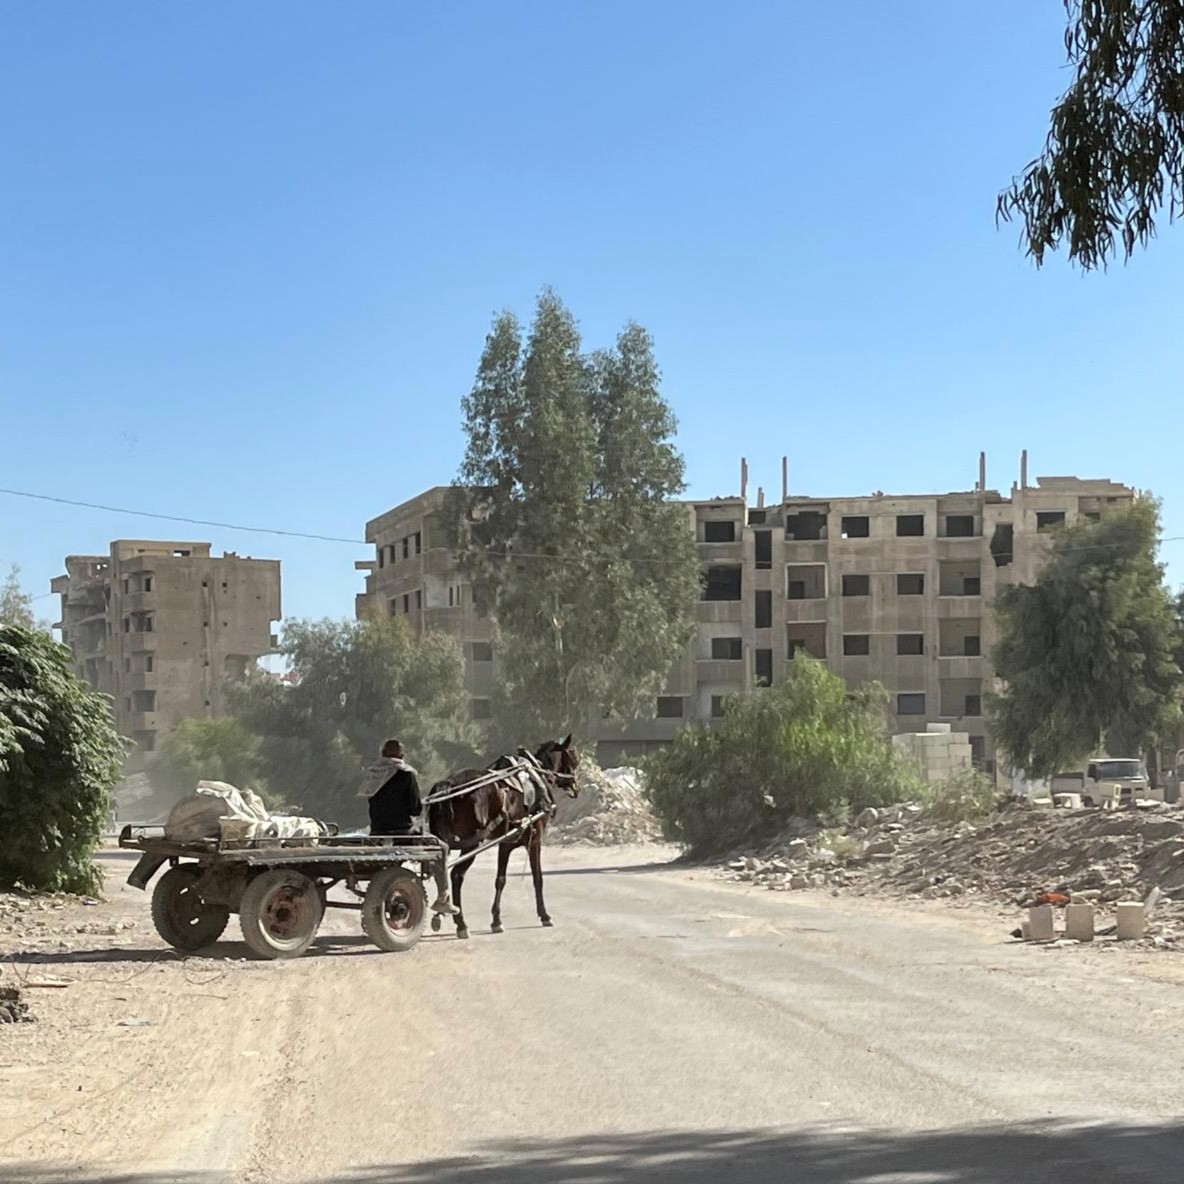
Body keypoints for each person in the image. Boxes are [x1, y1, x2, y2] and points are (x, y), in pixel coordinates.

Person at [359, 739, 458, 916]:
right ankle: (443, 897)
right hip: (402, 832)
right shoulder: (406, 774)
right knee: (441, 848)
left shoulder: (373, 773)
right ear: (401, 755)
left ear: (382, 754)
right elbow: (415, 809)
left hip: (377, 831)